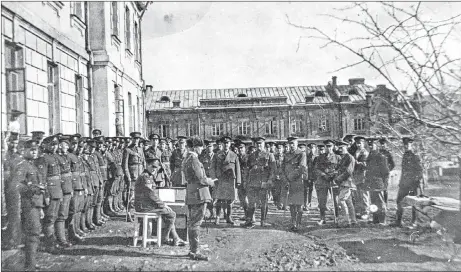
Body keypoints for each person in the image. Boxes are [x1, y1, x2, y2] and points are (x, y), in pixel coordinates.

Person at [134, 157, 187, 246]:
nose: (155, 169)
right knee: (172, 214)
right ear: (147, 165)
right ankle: (165, 238)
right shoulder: (146, 177)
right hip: (144, 207)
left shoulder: (147, 176)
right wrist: (163, 205)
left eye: (156, 167)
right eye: (153, 167)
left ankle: (175, 238)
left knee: (169, 213)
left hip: (145, 205)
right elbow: (151, 194)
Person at [13, 140, 46, 271]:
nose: (34, 152)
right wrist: (32, 189)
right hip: (29, 204)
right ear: (24, 150)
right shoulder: (22, 166)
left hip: (36, 203)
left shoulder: (33, 165)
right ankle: (30, 265)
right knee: (32, 234)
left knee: (35, 233)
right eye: (31, 149)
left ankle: (32, 262)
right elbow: (17, 185)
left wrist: (41, 206)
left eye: (35, 150)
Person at [183, 136, 216, 261]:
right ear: (195, 147)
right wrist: (210, 181)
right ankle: (195, 251)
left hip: (191, 193)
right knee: (196, 223)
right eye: (201, 146)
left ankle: (193, 249)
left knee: (192, 222)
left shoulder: (186, 159)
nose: (202, 149)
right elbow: (201, 179)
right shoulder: (194, 160)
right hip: (199, 194)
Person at [35, 136, 63, 253]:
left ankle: (53, 241)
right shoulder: (43, 159)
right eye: (52, 144)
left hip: (57, 192)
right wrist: (45, 195)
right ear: (45, 145)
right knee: (49, 219)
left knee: (54, 217)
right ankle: (49, 244)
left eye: (55, 145)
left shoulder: (55, 157)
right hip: (50, 193)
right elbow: (42, 179)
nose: (54, 147)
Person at [243, 137, 275, 228]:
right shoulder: (252, 155)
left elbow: (273, 170)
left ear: (264, 144)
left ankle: (263, 220)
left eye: (261, 144)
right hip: (252, 183)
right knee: (251, 203)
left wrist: (269, 181)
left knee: (264, 203)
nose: (259, 145)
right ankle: (249, 220)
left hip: (263, 183)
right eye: (257, 144)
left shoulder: (269, 155)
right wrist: (246, 180)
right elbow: (247, 169)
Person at [391, 137, 423, 228]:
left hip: (412, 184)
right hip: (404, 183)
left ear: (411, 145)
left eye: (407, 145)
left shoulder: (415, 156)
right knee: (399, 201)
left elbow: (420, 171)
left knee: (414, 203)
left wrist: (415, 182)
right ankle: (398, 221)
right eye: (404, 145)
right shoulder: (405, 155)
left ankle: (414, 222)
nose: (405, 146)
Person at [210, 136, 241, 225]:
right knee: (219, 199)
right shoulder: (217, 155)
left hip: (230, 180)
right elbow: (212, 168)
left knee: (230, 200)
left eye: (227, 143)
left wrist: (238, 181)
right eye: (224, 143)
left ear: (230, 144)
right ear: (222, 144)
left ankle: (229, 216)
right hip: (220, 180)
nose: (226, 145)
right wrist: (214, 178)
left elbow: (237, 169)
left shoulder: (234, 155)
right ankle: (218, 217)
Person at [3, 132, 24, 249]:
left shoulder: (18, 156)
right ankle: (13, 240)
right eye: (12, 142)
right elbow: (6, 176)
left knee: (21, 216)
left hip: (20, 189)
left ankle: (19, 238)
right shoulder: (6, 156)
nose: (14, 145)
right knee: (13, 216)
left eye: (16, 143)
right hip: (11, 190)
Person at [282, 137, 307, 231]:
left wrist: (290, 177)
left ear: (297, 143)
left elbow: (301, 167)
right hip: (288, 182)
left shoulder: (301, 154)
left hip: (297, 181)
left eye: (293, 143)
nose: (291, 145)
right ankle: (293, 223)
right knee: (292, 204)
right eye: (290, 144)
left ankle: (298, 223)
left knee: (299, 204)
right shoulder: (286, 155)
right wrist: (285, 179)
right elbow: (282, 168)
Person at [314, 139, 341, 226]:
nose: (328, 148)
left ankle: (337, 218)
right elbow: (316, 169)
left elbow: (340, 169)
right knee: (322, 201)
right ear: (325, 147)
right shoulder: (319, 158)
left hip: (333, 181)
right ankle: (322, 218)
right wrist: (323, 175)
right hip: (322, 181)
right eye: (327, 146)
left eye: (330, 146)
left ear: (333, 147)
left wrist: (334, 174)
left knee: (336, 201)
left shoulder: (337, 157)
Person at [55, 136, 74, 248]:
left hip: (67, 188)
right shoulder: (56, 157)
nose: (65, 147)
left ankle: (64, 236)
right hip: (60, 189)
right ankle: (61, 239)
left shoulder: (66, 157)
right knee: (60, 215)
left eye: (67, 145)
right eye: (63, 144)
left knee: (65, 214)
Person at [65, 135, 86, 243]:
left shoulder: (77, 156)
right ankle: (71, 233)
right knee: (71, 211)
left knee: (77, 209)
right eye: (72, 143)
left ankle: (76, 230)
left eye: (76, 144)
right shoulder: (68, 156)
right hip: (73, 186)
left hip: (79, 185)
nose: (75, 146)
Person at [365, 138, 390, 225]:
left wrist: (384, 185)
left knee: (380, 203)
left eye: (372, 145)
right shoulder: (370, 156)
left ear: (376, 146)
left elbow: (386, 172)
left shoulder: (381, 157)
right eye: (369, 145)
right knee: (373, 202)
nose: (371, 147)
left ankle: (382, 220)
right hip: (371, 183)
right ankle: (375, 219)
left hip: (379, 183)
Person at [332, 141, 357, 227]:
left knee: (341, 200)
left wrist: (338, 178)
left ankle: (346, 221)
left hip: (347, 182)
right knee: (348, 201)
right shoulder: (343, 158)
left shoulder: (350, 157)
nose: (340, 149)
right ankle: (353, 220)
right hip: (343, 182)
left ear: (346, 147)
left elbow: (348, 171)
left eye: (342, 148)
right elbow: (339, 169)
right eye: (339, 148)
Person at [123, 132, 145, 221]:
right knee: (130, 195)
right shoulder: (127, 150)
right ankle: (128, 214)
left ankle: (138, 213)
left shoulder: (140, 149)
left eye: (138, 139)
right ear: (131, 139)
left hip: (140, 174)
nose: (136, 140)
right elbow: (124, 165)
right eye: (134, 138)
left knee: (139, 195)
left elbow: (143, 162)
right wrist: (128, 176)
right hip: (132, 175)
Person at [352, 136, 369, 220]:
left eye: (360, 143)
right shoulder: (356, 151)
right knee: (357, 195)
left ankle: (365, 212)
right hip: (356, 176)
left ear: (363, 143)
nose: (358, 145)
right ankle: (359, 211)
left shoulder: (365, 152)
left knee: (364, 195)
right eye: (357, 143)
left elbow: (366, 165)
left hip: (363, 176)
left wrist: (357, 163)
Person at [199, 140, 216, 218]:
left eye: (211, 146)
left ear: (213, 147)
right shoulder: (202, 157)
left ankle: (213, 212)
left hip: (214, 179)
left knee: (214, 197)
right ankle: (208, 212)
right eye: (208, 146)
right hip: (205, 179)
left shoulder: (217, 156)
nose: (209, 148)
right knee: (206, 197)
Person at [236, 142, 250, 221]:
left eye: (242, 148)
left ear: (245, 148)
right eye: (239, 148)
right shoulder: (237, 157)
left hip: (247, 181)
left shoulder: (248, 157)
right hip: (240, 181)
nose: (240, 149)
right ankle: (246, 214)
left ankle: (250, 217)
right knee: (242, 199)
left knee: (248, 199)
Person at [379, 137, 395, 204]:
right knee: (378, 189)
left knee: (385, 189)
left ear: (386, 145)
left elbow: (393, 164)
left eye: (383, 144)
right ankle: (380, 204)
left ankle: (385, 204)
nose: (382, 145)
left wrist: (387, 170)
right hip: (378, 174)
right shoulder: (378, 152)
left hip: (385, 175)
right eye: (381, 144)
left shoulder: (388, 153)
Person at [304, 143, 317, 211]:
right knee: (306, 190)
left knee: (312, 190)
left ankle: (310, 202)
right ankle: (306, 204)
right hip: (307, 176)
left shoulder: (317, 157)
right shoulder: (306, 157)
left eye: (313, 148)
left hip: (314, 176)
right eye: (310, 148)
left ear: (315, 149)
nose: (311, 150)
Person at [272, 143, 285, 210]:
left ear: (283, 149)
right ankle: (278, 204)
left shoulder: (285, 156)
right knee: (276, 191)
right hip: (276, 176)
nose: (279, 150)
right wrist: (276, 175)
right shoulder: (274, 156)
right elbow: (273, 167)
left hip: (283, 176)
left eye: (280, 148)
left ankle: (283, 205)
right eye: (278, 149)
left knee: (283, 191)